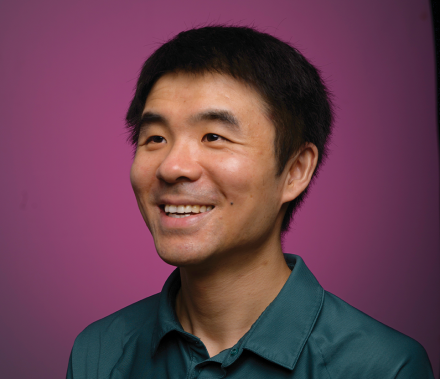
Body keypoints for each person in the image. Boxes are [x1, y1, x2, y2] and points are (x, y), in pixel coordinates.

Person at [66, 25, 434, 378]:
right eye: (155, 138)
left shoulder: (381, 367)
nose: (171, 166)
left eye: (213, 136)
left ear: (295, 171)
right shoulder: (100, 352)